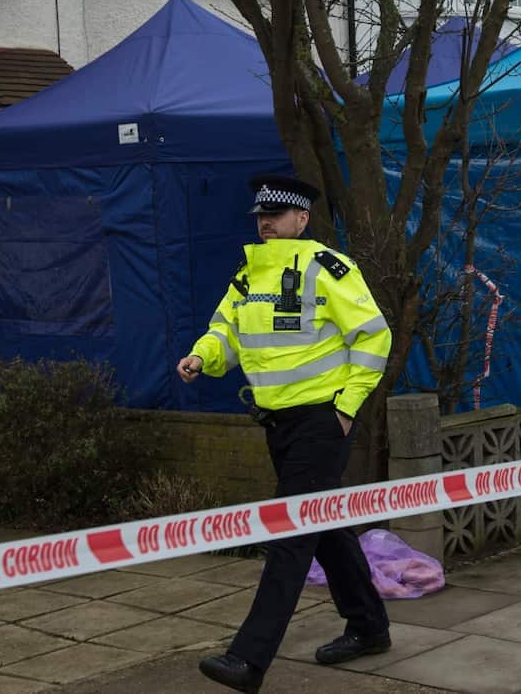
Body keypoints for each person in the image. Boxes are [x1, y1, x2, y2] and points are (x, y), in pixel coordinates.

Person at [177, 174, 392, 694]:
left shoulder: (326, 268)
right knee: (326, 526)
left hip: (323, 422)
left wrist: (345, 409)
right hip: (279, 425)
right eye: (260, 216)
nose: (266, 223)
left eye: (276, 215)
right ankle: (369, 628)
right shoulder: (248, 275)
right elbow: (225, 332)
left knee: (290, 534)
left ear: (302, 219)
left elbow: (373, 337)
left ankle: (248, 661)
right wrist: (201, 357)